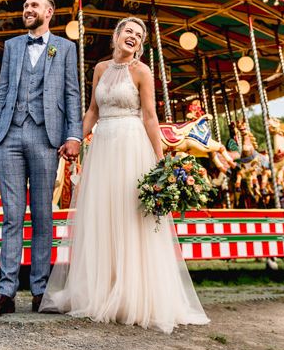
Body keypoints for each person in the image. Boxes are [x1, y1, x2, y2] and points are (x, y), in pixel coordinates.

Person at [40, 17, 209, 333]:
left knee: (130, 215)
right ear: (115, 36)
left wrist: (161, 163)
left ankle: (134, 292)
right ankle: (102, 289)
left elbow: (149, 116)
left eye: (139, 34)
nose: (133, 36)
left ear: (141, 44)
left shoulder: (142, 72)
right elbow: (92, 111)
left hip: (131, 144)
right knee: (102, 215)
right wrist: (74, 138)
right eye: (128, 31)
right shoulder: (100, 69)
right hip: (103, 145)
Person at [0, 0, 82, 319]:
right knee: (11, 215)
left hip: (45, 135)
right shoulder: (12, 46)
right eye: (25, 5)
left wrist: (73, 135)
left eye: (34, 5)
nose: (27, 9)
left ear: (49, 12)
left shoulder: (65, 48)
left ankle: (39, 291)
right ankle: (6, 291)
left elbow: (71, 94)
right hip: (10, 133)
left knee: (42, 214)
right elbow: (3, 89)